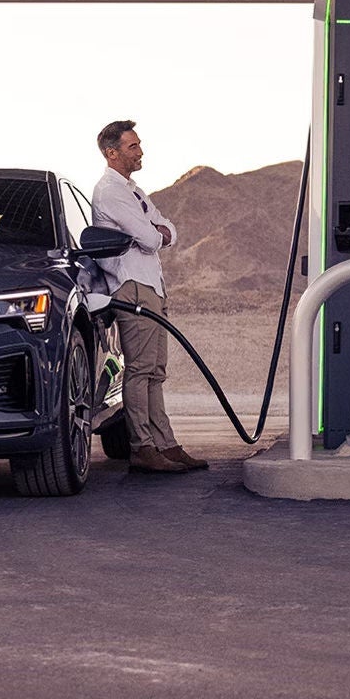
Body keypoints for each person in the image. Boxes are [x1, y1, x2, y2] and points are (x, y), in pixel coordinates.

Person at [92, 119, 208, 475]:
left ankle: (166, 445)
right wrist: (158, 233)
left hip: (152, 285)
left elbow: (168, 227)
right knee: (140, 369)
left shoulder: (134, 190)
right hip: (132, 286)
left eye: (139, 145)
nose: (140, 151)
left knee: (156, 371)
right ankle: (142, 446)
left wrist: (160, 232)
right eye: (132, 146)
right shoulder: (109, 191)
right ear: (112, 153)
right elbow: (151, 237)